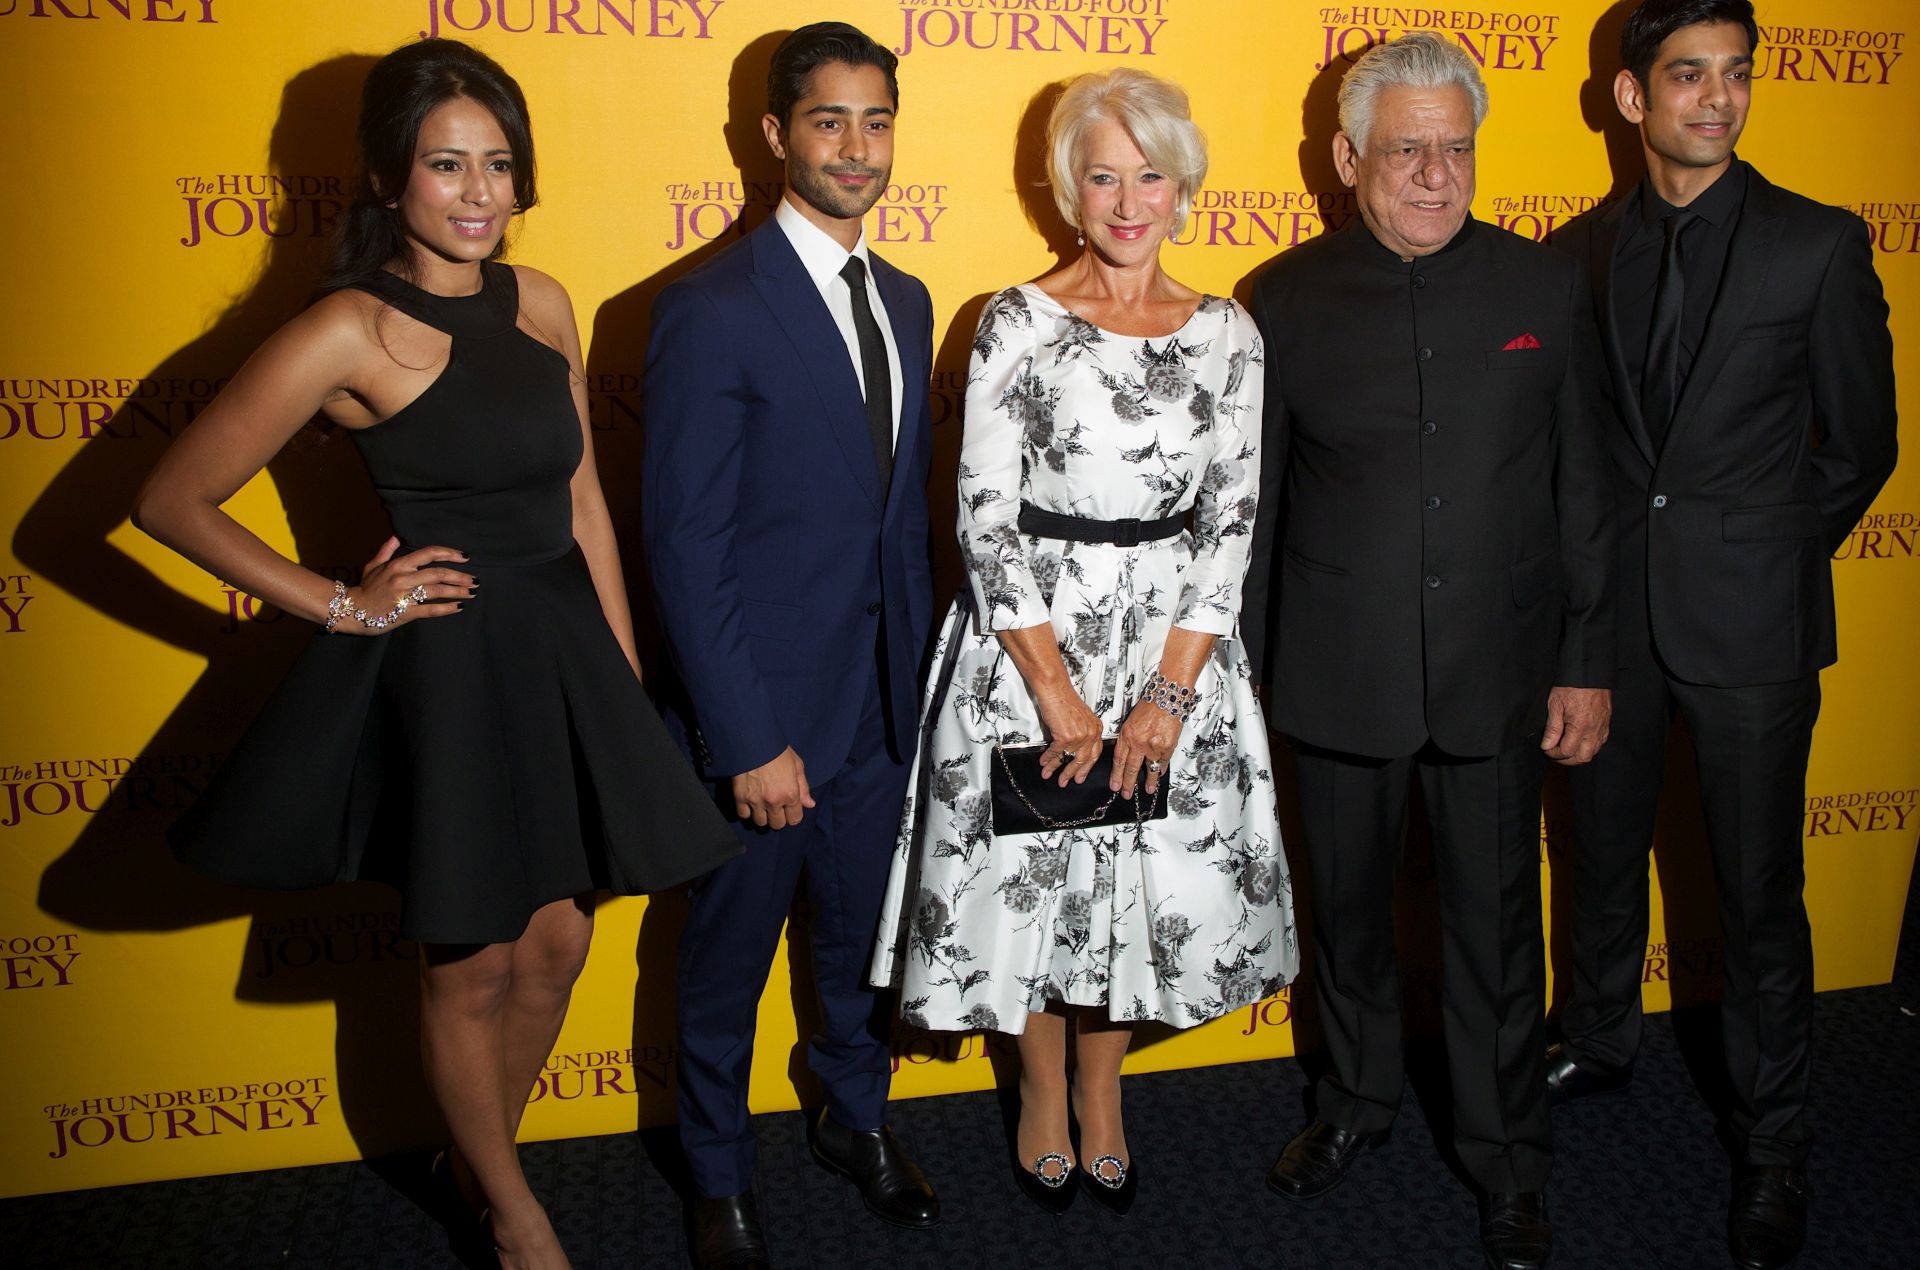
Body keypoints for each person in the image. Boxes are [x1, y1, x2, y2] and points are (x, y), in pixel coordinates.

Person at [134, 39, 739, 1270]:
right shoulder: (350, 330)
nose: (478, 193)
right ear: (386, 178)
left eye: (499, 165)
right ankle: (517, 1221)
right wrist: (342, 604)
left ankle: (479, 1161)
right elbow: (172, 501)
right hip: (451, 669)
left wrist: (619, 677)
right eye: (446, 163)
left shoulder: (542, 302)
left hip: (566, 649)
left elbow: (580, 503)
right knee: (470, 957)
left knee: (561, 940)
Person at [870, 66, 1296, 1218]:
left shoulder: (1228, 336)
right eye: (1102, 176)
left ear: (1182, 189)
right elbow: (981, 514)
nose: (1125, 200)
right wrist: (1055, 689)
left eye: (1148, 176)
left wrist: (1167, 693)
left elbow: (1234, 521)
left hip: (1174, 646)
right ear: (1068, 190)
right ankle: (1041, 1088)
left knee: (1135, 879)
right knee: (1044, 872)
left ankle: (1103, 1095)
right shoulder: (1014, 320)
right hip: (1031, 645)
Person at [1240, 32, 1616, 1270]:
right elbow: (1261, 507)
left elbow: (1582, 487)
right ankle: (1353, 1105)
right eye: (1408, 149)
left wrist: (1584, 655)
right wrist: (1246, 672)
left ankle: (1509, 1157)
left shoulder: (1544, 287)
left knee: (1499, 931)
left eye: (1456, 149)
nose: (1436, 173)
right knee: (1344, 920)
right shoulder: (1280, 300)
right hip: (1335, 670)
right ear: (1350, 158)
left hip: (1502, 672)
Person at [1549, 4, 1897, 1266]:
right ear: (1630, 99)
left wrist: (1757, 551)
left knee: (1757, 900)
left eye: (1735, 74)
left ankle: (1775, 1142)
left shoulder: (1815, 244)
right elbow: (1585, 456)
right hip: (1610, 630)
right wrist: (1584, 621)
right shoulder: (1580, 253)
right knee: (1596, 859)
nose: (1718, 97)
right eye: (1687, 75)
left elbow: (1862, 446)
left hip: (1752, 625)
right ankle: (1595, 1036)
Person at [641, 22, 940, 1270]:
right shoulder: (707, 309)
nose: (856, 149)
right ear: (774, 135)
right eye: (830, 122)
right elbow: (684, 547)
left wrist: (920, 706)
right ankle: (717, 1174)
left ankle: (853, 1118)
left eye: (876, 122)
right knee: (722, 971)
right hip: (760, 729)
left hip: (881, 713)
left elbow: (898, 526)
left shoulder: (911, 300)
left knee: (860, 949)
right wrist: (747, 738)